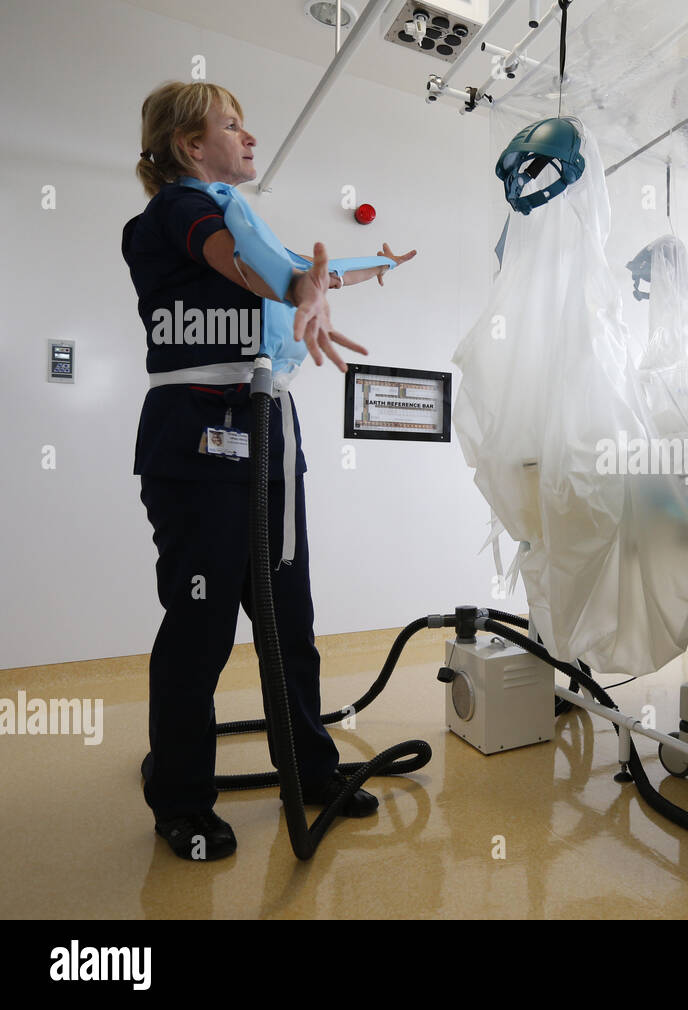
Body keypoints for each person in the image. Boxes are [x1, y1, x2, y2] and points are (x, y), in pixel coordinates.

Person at [122, 81, 416, 860]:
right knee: (201, 628)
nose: (250, 139)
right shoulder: (182, 212)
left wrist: (370, 267)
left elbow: (294, 267)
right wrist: (299, 287)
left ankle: (311, 769)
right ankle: (181, 799)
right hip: (199, 437)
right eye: (231, 126)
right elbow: (255, 269)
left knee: (290, 619)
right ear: (191, 147)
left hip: (270, 430)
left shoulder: (242, 223)